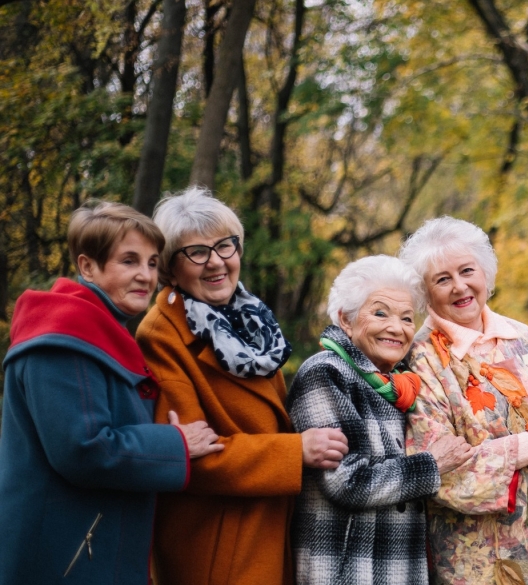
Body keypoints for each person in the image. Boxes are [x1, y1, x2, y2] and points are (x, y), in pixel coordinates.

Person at [0, 201, 222, 584]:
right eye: (129, 261)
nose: (145, 276)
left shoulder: (100, 332)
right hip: (67, 559)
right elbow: (83, 449)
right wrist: (175, 443)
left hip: (94, 548)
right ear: (88, 266)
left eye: (152, 263)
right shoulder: (64, 339)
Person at [136, 187, 349, 585]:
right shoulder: (162, 334)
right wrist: (295, 451)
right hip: (219, 544)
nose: (216, 262)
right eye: (196, 252)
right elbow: (192, 457)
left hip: (267, 527)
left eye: (225, 246)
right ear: (169, 267)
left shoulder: (249, 319)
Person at [399, 217, 528, 585]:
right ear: (424, 292)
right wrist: (524, 447)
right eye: (442, 279)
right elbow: (433, 466)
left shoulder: (524, 338)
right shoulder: (420, 358)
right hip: (477, 561)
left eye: (467, 271)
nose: (460, 286)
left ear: (485, 273)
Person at [287, 255, 473, 585]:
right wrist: (431, 465)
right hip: (346, 572)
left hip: (400, 569)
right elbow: (346, 482)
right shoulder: (326, 372)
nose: (396, 328)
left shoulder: (400, 384)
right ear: (346, 319)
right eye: (380, 313)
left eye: (406, 318)